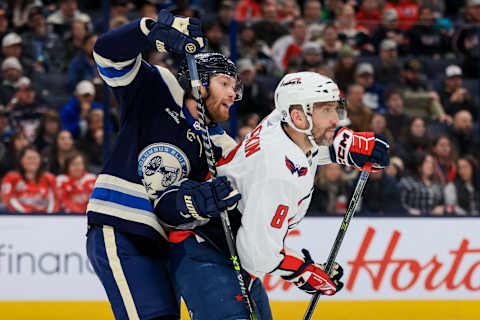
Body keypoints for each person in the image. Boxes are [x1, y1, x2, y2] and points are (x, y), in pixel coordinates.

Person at [168, 72, 390, 319]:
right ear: (298, 116)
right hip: (206, 253)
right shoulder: (277, 174)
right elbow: (257, 256)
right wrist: (304, 271)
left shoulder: (281, 122)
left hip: (224, 251)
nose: (335, 119)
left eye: (335, 109)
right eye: (326, 110)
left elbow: (310, 147)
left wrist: (346, 147)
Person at [85, 11, 242, 320]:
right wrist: (148, 30)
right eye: (225, 83)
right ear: (199, 81)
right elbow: (106, 54)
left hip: (166, 245)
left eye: (236, 88)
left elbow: (187, 206)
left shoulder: (222, 146)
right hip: (121, 226)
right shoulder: (160, 86)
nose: (233, 94)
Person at [1, 145, 59, 213]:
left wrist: (48, 216)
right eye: (29, 158)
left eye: (35, 158)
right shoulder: (11, 178)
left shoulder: (50, 178)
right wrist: (27, 214)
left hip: (45, 218)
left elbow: (55, 202)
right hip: (19, 217)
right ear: (21, 160)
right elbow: (7, 200)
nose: (32, 161)